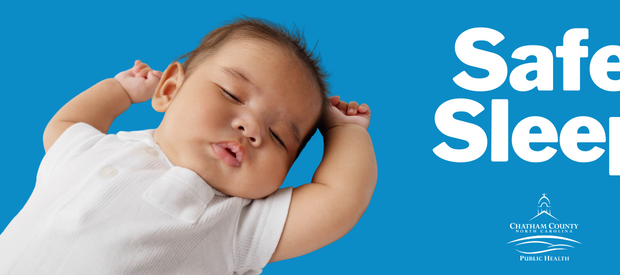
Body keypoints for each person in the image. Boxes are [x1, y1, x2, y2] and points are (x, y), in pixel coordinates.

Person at [0, 18, 377, 274]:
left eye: (279, 136)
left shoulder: (233, 222)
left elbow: (339, 200)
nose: (252, 128)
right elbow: (66, 127)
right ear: (168, 89)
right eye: (232, 94)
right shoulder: (96, 151)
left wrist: (344, 131)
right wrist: (118, 90)